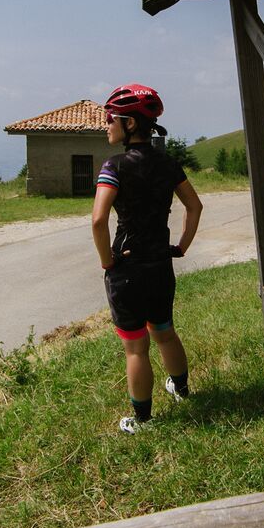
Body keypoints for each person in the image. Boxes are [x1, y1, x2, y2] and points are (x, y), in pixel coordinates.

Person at [91, 84, 204, 434]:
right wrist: (181, 246)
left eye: (111, 119)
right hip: (160, 265)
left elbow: (98, 220)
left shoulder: (114, 166)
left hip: (127, 268)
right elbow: (195, 206)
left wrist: (106, 260)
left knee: (136, 349)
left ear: (130, 124)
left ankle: (142, 420)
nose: (107, 125)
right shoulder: (169, 163)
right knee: (165, 331)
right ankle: (181, 389)